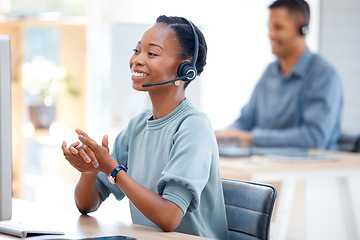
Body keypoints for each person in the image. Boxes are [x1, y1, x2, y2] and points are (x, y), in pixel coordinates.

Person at [61, 15, 229, 240]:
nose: (137, 60)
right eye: (137, 50)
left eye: (152, 53)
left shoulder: (194, 127)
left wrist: (113, 169)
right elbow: (87, 204)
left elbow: (169, 217)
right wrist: (91, 169)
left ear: (185, 68)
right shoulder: (138, 126)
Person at [215, 0, 343, 150]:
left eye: (278, 27)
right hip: (268, 165)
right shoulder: (270, 72)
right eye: (269, 28)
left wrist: (252, 138)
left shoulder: (323, 74)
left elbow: (314, 137)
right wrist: (223, 136)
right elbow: (245, 122)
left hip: (312, 168)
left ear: (303, 30)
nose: (271, 35)